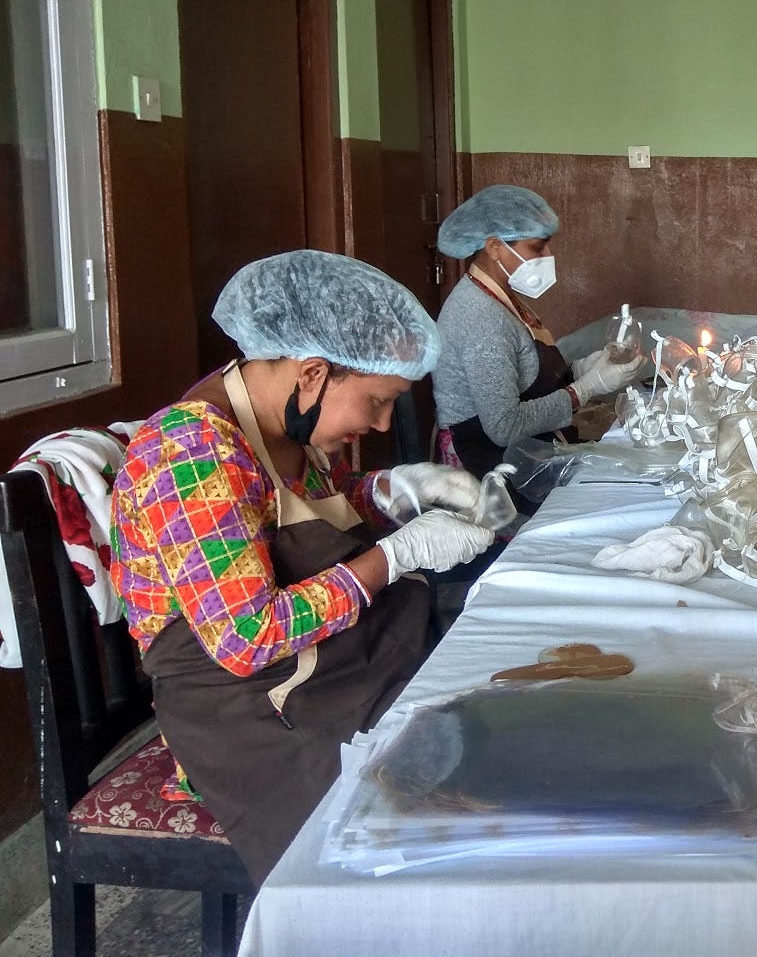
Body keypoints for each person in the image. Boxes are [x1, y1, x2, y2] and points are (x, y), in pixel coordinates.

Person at [110, 251, 498, 882]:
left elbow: (323, 506)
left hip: (327, 670)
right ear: (313, 373)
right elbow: (246, 637)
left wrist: (399, 490)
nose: (377, 424)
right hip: (248, 712)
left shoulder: (281, 422)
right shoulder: (190, 454)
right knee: (411, 831)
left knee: (479, 712)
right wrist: (396, 555)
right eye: (376, 401)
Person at [432, 184, 644, 478]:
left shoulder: (502, 298)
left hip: (527, 450)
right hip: (488, 467)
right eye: (536, 247)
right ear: (495, 247)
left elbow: (530, 376)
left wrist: (589, 368)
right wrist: (586, 389)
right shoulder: (479, 316)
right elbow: (504, 426)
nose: (547, 255)